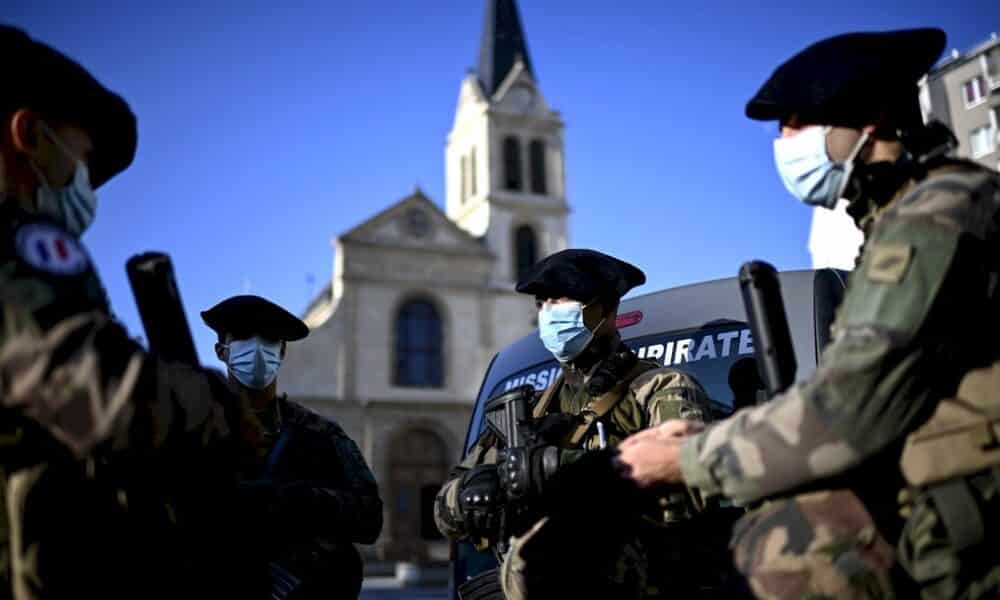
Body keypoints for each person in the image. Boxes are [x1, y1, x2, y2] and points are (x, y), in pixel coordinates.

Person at [617, 28, 1000, 599]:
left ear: (867, 123)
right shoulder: (904, 216)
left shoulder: (937, 215)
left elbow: (848, 409)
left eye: (798, 122)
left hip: (967, 516)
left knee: (787, 556)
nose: (785, 141)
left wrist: (688, 457)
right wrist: (717, 436)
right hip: (942, 495)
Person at [0, 25, 259, 598]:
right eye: (83, 162)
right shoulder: (18, 246)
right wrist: (217, 403)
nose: (85, 187)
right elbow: (99, 393)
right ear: (28, 136)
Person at [435, 249, 726, 599]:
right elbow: (442, 510)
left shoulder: (659, 388)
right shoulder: (527, 409)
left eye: (559, 300)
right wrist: (472, 494)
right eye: (542, 304)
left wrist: (565, 470)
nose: (547, 313)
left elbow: (695, 491)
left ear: (605, 311)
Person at [201, 294, 382, 599]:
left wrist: (300, 500)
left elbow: (369, 518)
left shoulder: (320, 434)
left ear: (282, 352)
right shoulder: (196, 430)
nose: (257, 349)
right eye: (244, 337)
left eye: (269, 339)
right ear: (222, 351)